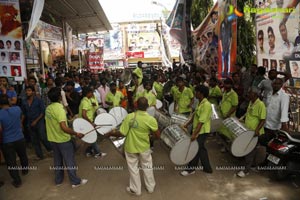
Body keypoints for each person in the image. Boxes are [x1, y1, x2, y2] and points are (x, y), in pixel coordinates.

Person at [106, 97, 160, 196]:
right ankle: (150, 187)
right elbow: (157, 135)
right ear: (147, 107)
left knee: (133, 168)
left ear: (136, 105)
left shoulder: (129, 117)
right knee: (147, 167)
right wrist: (150, 137)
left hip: (131, 147)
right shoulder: (151, 119)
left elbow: (122, 133)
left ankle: (136, 190)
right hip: (144, 147)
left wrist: (110, 134)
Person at [45, 87, 87, 188]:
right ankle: (75, 182)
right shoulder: (59, 109)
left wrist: (69, 121)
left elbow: (53, 123)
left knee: (57, 160)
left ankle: (58, 180)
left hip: (52, 139)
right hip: (63, 139)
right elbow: (63, 127)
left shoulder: (48, 108)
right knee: (69, 161)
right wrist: (76, 133)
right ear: (60, 97)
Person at [181, 85, 213, 176]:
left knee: (194, 148)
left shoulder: (206, 105)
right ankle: (207, 168)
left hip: (202, 131)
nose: (195, 93)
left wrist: (194, 134)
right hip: (198, 130)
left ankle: (190, 169)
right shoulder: (200, 102)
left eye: (196, 91)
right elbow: (195, 116)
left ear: (201, 93)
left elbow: (201, 122)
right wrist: (186, 124)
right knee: (201, 149)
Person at [236, 87, 266, 178]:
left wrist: (257, 130)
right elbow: (248, 113)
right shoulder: (251, 102)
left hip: (254, 132)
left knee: (249, 150)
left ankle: (246, 170)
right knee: (251, 150)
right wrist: (242, 118)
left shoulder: (260, 104)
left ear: (255, 94)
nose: (248, 94)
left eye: (250, 93)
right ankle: (252, 166)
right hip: (248, 131)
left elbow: (263, 119)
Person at [0, 94, 29, 188]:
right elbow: (21, 118)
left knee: (11, 162)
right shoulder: (17, 109)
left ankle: (17, 181)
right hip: (20, 137)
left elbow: (0, 129)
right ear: (9, 101)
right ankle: (25, 170)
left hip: (7, 141)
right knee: (23, 155)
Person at [21, 85, 52, 160]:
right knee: (34, 140)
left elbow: (42, 112)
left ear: (33, 92)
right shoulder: (24, 101)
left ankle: (50, 150)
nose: (27, 92)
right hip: (29, 122)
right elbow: (24, 113)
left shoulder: (38, 100)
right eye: (26, 90)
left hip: (39, 121)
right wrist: (21, 122)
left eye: (29, 90)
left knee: (42, 136)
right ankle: (40, 155)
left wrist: (36, 121)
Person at [260, 78, 289, 146]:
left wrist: (284, 126)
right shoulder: (269, 93)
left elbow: (284, 111)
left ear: (281, 85)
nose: (276, 85)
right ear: (272, 84)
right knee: (263, 143)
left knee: (269, 145)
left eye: (278, 84)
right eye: (274, 84)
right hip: (264, 123)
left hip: (274, 126)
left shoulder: (284, 96)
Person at [79, 86, 106, 158]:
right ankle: (98, 153)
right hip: (86, 122)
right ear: (88, 93)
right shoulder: (85, 102)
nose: (92, 93)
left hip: (88, 121)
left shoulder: (88, 100)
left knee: (91, 137)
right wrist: (90, 122)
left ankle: (88, 151)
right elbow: (83, 114)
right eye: (91, 92)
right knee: (93, 137)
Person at [218, 78, 239, 152]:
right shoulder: (224, 92)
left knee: (228, 133)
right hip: (223, 115)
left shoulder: (234, 94)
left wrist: (228, 114)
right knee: (223, 131)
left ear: (231, 85)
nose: (226, 85)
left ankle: (227, 147)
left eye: (228, 84)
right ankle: (225, 145)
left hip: (229, 116)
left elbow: (235, 106)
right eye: (225, 84)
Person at [220, 2, 232, 77]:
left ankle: (228, 72)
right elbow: (220, 37)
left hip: (228, 44)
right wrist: (221, 47)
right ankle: (223, 71)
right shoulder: (222, 24)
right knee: (223, 59)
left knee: (228, 59)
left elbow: (231, 36)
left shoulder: (230, 24)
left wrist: (230, 45)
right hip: (223, 44)